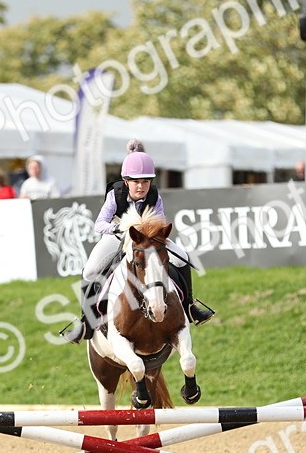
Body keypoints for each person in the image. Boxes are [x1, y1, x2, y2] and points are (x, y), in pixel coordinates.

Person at [61, 141, 214, 343]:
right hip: (117, 236)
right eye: (136, 182)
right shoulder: (115, 195)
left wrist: (154, 233)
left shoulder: (154, 196)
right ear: (126, 181)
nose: (141, 186)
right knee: (89, 271)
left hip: (147, 239)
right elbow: (99, 224)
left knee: (182, 257)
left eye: (145, 181)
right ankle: (86, 322)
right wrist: (119, 228)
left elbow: (159, 221)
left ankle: (190, 307)